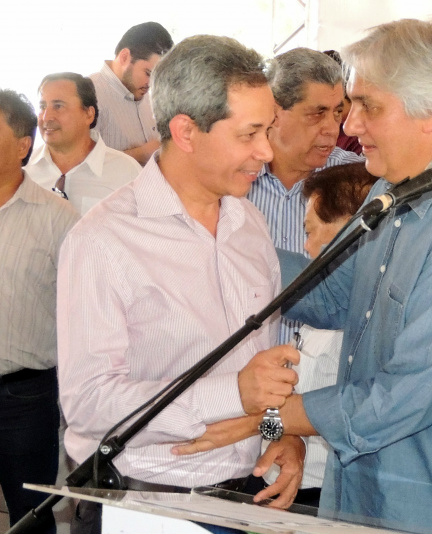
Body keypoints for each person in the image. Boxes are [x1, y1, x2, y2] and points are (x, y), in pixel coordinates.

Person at [176, 19, 432, 534]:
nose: (350, 126)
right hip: (375, 497)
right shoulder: (403, 187)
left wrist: (268, 418)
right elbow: (331, 294)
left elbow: (404, 397)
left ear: (431, 113)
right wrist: (225, 240)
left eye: (367, 106)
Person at [58, 35, 301, 534]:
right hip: (144, 507)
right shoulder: (103, 241)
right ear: (186, 131)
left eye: (269, 130)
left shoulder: (249, 226)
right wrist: (230, 394)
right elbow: (88, 406)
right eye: (250, 133)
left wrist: (281, 435)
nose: (265, 150)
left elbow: (266, 377)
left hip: (248, 498)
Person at [262, 162, 378, 508]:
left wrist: (284, 425)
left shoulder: (372, 332)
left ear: (350, 231)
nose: (306, 247)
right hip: (281, 488)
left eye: (312, 232)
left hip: (332, 500)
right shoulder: (315, 321)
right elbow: (272, 408)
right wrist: (285, 435)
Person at [0, 89, 78, 533]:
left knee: (32, 520)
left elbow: (83, 312)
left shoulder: (58, 219)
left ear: (22, 145)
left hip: (25, 401)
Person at [247, 47, 362, 345]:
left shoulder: (359, 182)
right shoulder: (232, 184)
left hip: (328, 379)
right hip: (247, 375)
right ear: (274, 112)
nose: (332, 129)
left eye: (337, 112)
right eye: (317, 113)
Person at [25, 73, 141, 215]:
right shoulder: (23, 169)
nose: (46, 117)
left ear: (89, 114)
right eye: (42, 106)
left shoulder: (127, 172)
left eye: (58, 106)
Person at [90, 22, 173, 165]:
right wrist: (138, 155)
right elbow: (77, 167)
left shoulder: (149, 94)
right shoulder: (87, 95)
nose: (152, 84)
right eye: (148, 73)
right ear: (124, 57)